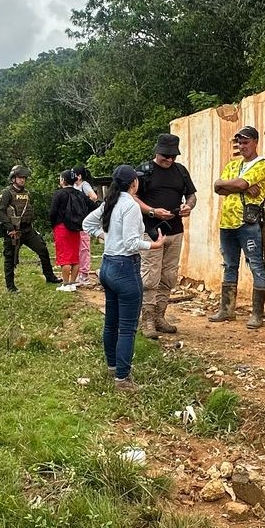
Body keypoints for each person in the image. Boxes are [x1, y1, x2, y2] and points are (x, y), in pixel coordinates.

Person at [83, 165, 166, 392]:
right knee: (127, 328)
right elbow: (131, 243)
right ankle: (123, 378)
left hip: (108, 266)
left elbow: (87, 224)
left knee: (111, 322)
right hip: (125, 268)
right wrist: (154, 244)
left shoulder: (110, 201)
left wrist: (104, 235)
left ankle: (113, 366)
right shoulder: (129, 205)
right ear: (134, 183)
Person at [134, 134, 198, 339]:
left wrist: (188, 206)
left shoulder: (180, 171)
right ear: (156, 151)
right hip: (152, 230)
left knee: (168, 276)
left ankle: (161, 315)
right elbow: (131, 196)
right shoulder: (144, 171)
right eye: (165, 156)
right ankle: (148, 319)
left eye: (173, 156)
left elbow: (191, 194)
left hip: (175, 230)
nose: (169, 160)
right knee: (150, 276)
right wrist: (152, 211)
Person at [209, 126, 265, 329]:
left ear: (255, 142)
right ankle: (227, 310)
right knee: (229, 265)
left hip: (248, 222)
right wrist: (236, 184)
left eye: (245, 142)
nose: (241, 146)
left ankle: (257, 314)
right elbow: (217, 187)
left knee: (256, 265)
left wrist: (233, 185)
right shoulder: (233, 165)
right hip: (226, 222)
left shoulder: (263, 164)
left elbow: (236, 184)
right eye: (239, 143)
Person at [0, 165, 62, 293]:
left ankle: (49, 276)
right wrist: (9, 228)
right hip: (13, 231)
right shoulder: (7, 193)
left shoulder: (27, 193)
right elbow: (1, 212)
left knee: (42, 249)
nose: (22, 180)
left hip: (27, 230)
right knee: (10, 258)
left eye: (24, 178)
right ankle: (10, 287)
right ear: (13, 178)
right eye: (20, 177)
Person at [49, 169, 92, 291]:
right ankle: (73, 283)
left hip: (62, 227)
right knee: (74, 257)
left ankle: (66, 284)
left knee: (64, 257)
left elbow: (52, 212)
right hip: (77, 228)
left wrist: (54, 225)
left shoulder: (59, 194)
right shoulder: (79, 193)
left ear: (63, 180)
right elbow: (92, 205)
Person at [72, 166, 99, 284]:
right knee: (77, 247)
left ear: (79, 176)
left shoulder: (84, 185)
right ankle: (78, 273)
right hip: (75, 221)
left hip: (83, 219)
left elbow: (94, 197)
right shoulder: (74, 186)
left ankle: (84, 274)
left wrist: (84, 205)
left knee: (84, 248)